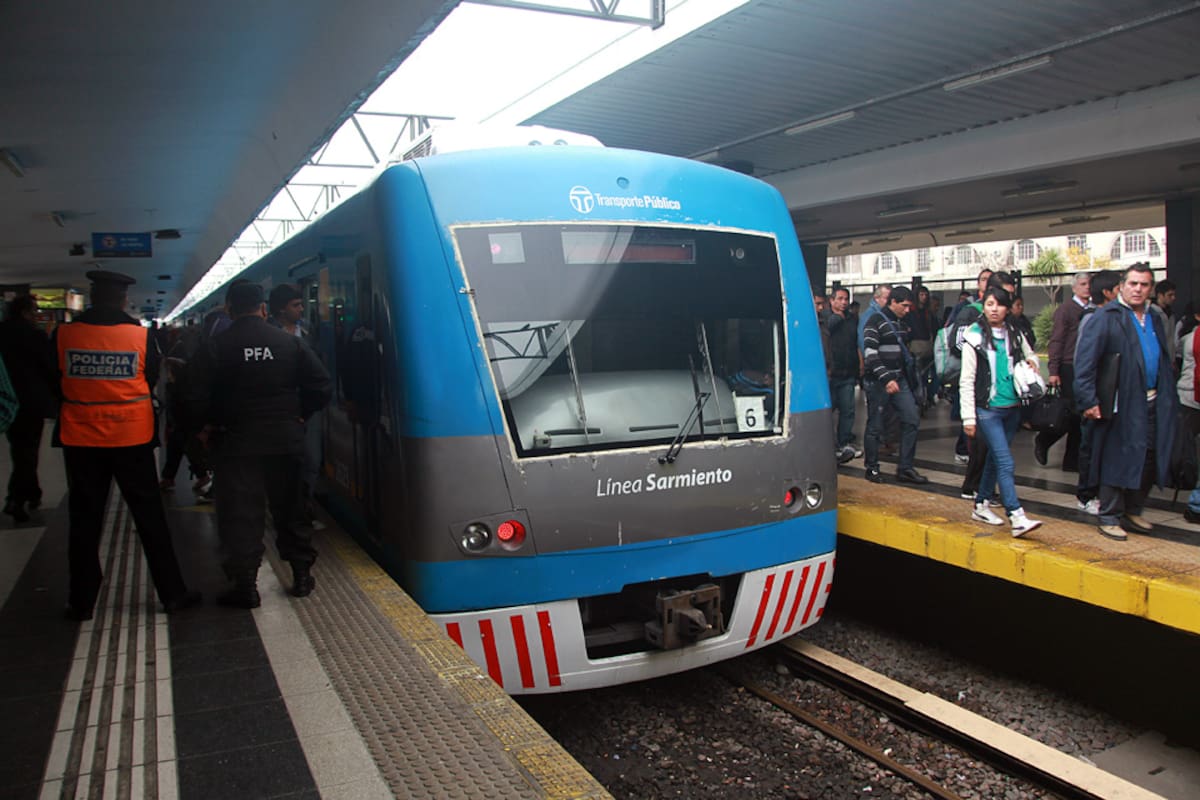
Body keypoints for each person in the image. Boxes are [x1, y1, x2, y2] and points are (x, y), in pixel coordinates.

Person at [54, 270, 200, 620]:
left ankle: (82, 601)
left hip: (81, 438)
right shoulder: (140, 337)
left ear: (91, 298)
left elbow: (53, 377)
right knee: (149, 518)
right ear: (123, 300)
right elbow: (150, 379)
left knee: (84, 520)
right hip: (130, 438)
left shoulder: (63, 334)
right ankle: (172, 593)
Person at [183, 282, 332, 607]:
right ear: (263, 309)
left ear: (229, 309)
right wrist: (300, 415)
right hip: (285, 441)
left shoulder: (216, 346)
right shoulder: (288, 344)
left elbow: (191, 395)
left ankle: (246, 586)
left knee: (241, 515)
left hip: (236, 443)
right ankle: (302, 576)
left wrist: (205, 426)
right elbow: (321, 386)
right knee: (292, 509)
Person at [1075, 263, 1179, 541]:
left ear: (1151, 289)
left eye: (1144, 285)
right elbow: (1085, 362)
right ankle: (1109, 515)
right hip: (1121, 403)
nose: (1138, 289)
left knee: (1148, 456)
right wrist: (1088, 399)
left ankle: (1133, 509)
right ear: (1122, 285)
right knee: (1116, 457)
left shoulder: (1154, 317)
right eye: (1133, 283)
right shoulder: (1106, 317)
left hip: (1154, 399)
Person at [959, 287, 1043, 537]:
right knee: (1005, 461)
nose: (994, 309)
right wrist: (968, 417)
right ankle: (1016, 516)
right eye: (989, 304)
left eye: (999, 304)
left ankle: (981, 504)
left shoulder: (1014, 333)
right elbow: (967, 379)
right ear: (983, 306)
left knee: (996, 460)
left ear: (1008, 308)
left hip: (1012, 408)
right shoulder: (973, 336)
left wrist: (1033, 363)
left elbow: (1031, 354)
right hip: (988, 410)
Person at [953, 271, 1017, 500]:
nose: (999, 306)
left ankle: (983, 496)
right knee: (990, 451)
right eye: (1002, 295)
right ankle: (980, 491)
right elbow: (957, 346)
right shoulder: (971, 316)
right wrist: (981, 353)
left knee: (993, 453)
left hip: (1005, 401)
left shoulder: (1012, 328)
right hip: (983, 399)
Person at [269, 283, 324, 523]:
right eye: (296, 305)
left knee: (312, 458)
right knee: (284, 461)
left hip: (307, 407)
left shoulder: (309, 332)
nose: (302, 309)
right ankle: (284, 508)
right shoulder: (268, 334)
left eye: (301, 304)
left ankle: (304, 504)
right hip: (280, 409)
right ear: (281, 310)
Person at [861, 285, 928, 485]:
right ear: (893, 302)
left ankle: (905, 468)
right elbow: (870, 354)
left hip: (899, 380)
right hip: (879, 382)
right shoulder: (875, 321)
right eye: (904, 306)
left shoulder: (900, 323)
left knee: (911, 420)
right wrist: (886, 378)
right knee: (875, 425)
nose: (907, 310)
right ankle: (871, 468)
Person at [0, 295, 57, 522]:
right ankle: (15, 499)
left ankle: (33, 492)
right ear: (24, 312)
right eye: (34, 310)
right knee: (27, 451)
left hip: (4, 400)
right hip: (29, 403)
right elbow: (49, 368)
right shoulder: (35, 336)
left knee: (21, 450)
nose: (37, 315)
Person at [1073, 270, 1121, 515]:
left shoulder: (1114, 317)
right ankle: (1086, 494)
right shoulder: (1093, 319)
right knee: (1091, 447)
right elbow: (1084, 361)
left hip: (1109, 397)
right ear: (1107, 292)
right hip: (1096, 397)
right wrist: (1088, 398)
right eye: (1120, 287)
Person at [1036, 271, 1091, 471]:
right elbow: (1056, 340)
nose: (1087, 287)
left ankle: (1071, 457)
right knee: (1072, 414)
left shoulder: (1093, 309)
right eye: (1083, 284)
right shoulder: (1066, 310)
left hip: (1086, 366)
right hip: (1069, 367)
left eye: (1089, 284)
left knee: (1080, 414)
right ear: (1075, 287)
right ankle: (1051, 443)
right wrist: (1053, 370)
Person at [826, 287, 860, 463]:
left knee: (848, 410)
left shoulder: (852, 320)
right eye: (839, 299)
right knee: (828, 410)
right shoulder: (827, 319)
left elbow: (856, 343)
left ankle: (844, 442)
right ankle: (829, 445)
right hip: (831, 373)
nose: (843, 302)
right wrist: (836, 318)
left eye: (846, 299)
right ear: (831, 301)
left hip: (848, 372)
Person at [1175, 302, 1200, 525]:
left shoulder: (1188, 338)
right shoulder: (1193, 339)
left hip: (1188, 396)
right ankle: (1196, 504)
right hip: (1192, 396)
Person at [1151, 279, 1177, 366]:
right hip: (1157, 360)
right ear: (1160, 295)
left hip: (1169, 359)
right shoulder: (1151, 313)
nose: (1173, 298)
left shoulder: (1171, 314)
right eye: (1170, 295)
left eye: (1174, 295)